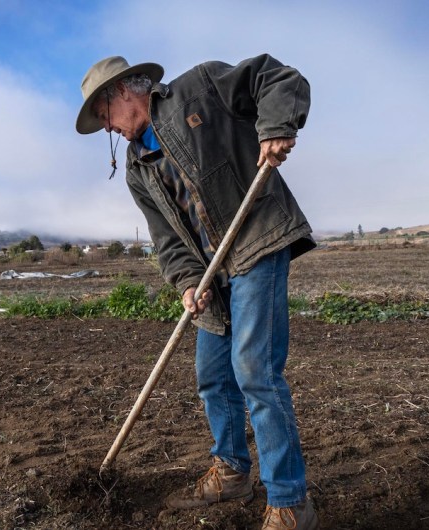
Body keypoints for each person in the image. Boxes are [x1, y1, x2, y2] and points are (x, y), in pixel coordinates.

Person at [76, 54, 319, 530]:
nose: (110, 129)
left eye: (105, 118)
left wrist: (275, 125)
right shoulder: (136, 168)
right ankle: (231, 471)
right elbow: (167, 239)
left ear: (123, 92)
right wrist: (188, 281)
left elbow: (277, 77)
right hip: (212, 273)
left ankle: (291, 502)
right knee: (212, 375)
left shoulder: (199, 88)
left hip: (255, 240)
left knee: (255, 371)